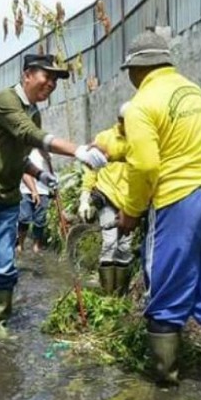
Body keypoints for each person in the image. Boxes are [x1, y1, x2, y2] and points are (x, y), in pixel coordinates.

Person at [0, 53, 107, 337]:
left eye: (56, 79)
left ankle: (0, 323)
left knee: (3, 265)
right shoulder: (6, 100)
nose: (51, 83)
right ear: (27, 74)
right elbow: (29, 134)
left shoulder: (34, 111)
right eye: (47, 76)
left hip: (6, 198)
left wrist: (40, 175)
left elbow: (19, 156)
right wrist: (78, 150)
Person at [116, 30, 201, 397]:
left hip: (181, 199)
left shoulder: (141, 104)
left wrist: (130, 211)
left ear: (136, 70)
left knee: (166, 291)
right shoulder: (192, 89)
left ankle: (166, 387)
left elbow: (144, 166)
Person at [78, 102, 133, 296]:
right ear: (120, 121)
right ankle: (108, 296)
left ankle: (121, 295)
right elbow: (92, 169)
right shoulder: (105, 138)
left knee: (125, 246)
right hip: (108, 195)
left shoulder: (140, 138)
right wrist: (85, 197)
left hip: (130, 201)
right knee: (110, 243)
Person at [17, 148, 53, 254]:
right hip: (25, 189)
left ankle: (36, 245)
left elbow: (50, 166)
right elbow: (24, 171)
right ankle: (20, 243)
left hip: (43, 190)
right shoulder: (25, 150)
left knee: (40, 220)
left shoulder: (45, 151)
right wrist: (33, 191)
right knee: (24, 218)